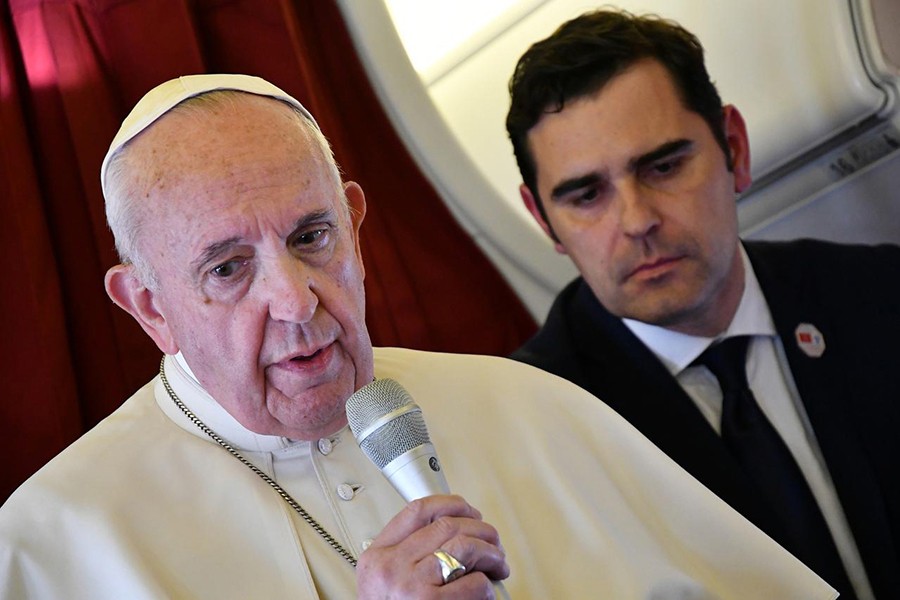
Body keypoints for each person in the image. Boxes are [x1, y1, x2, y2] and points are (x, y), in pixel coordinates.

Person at [0, 74, 836, 600]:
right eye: (226, 269)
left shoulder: (528, 405)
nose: (296, 302)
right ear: (147, 307)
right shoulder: (50, 543)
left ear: (356, 226)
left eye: (310, 237)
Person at [506, 8, 900, 600]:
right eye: (586, 195)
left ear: (734, 149)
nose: (637, 220)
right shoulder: (537, 428)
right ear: (544, 221)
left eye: (664, 166)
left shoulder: (878, 297)